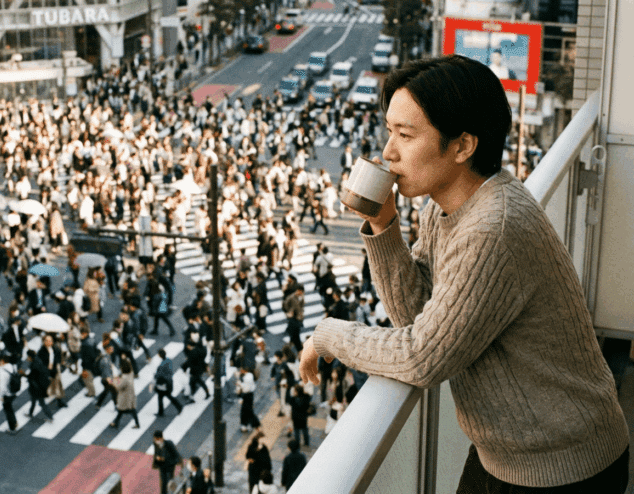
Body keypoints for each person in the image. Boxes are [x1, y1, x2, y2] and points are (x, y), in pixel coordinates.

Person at [299, 55, 630, 492]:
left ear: (462, 146)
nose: (387, 151)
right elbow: (417, 315)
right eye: (389, 132)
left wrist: (330, 335)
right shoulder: (450, 205)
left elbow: (422, 356)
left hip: (562, 470)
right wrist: (383, 226)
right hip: (512, 456)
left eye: (405, 134)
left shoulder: (495, 227)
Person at [24, 349, 54, 422]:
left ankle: (50, 416)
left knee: (41, 402)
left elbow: (32, 376)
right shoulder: (38, 361)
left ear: (30, 357)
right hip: (40, 385)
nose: (27, 358)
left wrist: (23, 375)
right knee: (34, 400)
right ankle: (30, 413)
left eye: (28, 357)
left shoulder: (34, 365)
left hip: (37, 387)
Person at [110, 357, 140, 429]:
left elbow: (118, 387)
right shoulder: (131, 373)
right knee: (132, 410)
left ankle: (116, 423)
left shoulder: (124, 378)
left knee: (121, 410)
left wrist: (112, 381)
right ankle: (137, 423)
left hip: (125, 397)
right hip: (131, 394)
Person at [0, 353, 20, 434]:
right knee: (10, 408)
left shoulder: (2, 371)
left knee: (8, 411)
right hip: (14, 391)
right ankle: (15, 423)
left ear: (2, 361)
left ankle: (12, 428)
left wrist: (1, 396)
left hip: (7, 394)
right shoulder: (13, 366)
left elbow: (2, 386)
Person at [154, 348, 183, 416]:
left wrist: (155, 376)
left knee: (162, 396)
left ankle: (161, 412)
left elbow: (159, 375)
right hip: (169, 381)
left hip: (164, 383)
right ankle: (178, 407)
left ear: (159, 355)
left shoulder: (161, 365)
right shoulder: (169, 361)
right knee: (165, 396)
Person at [152, 430, 181, 494]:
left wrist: (165, 459)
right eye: (155, 439)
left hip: (170, 467)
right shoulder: (155, 444)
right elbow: (156, 452)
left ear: (161, 438)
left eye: (157, 439)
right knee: (163, 483)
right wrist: (157, 458)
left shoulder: (169, 443)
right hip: (162, 466)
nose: (156, 441)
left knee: (169, 482)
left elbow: (176, 455)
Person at [237, 366, 260, 432]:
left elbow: (246, 389)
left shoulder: (247, 377)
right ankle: (244, 426)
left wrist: (240, 384)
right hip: (249, 395)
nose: (240, 370)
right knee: (245, 411)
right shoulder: (249, 375)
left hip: (247, 396)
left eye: (241, 369)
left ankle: (255, 425)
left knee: (247, 411)